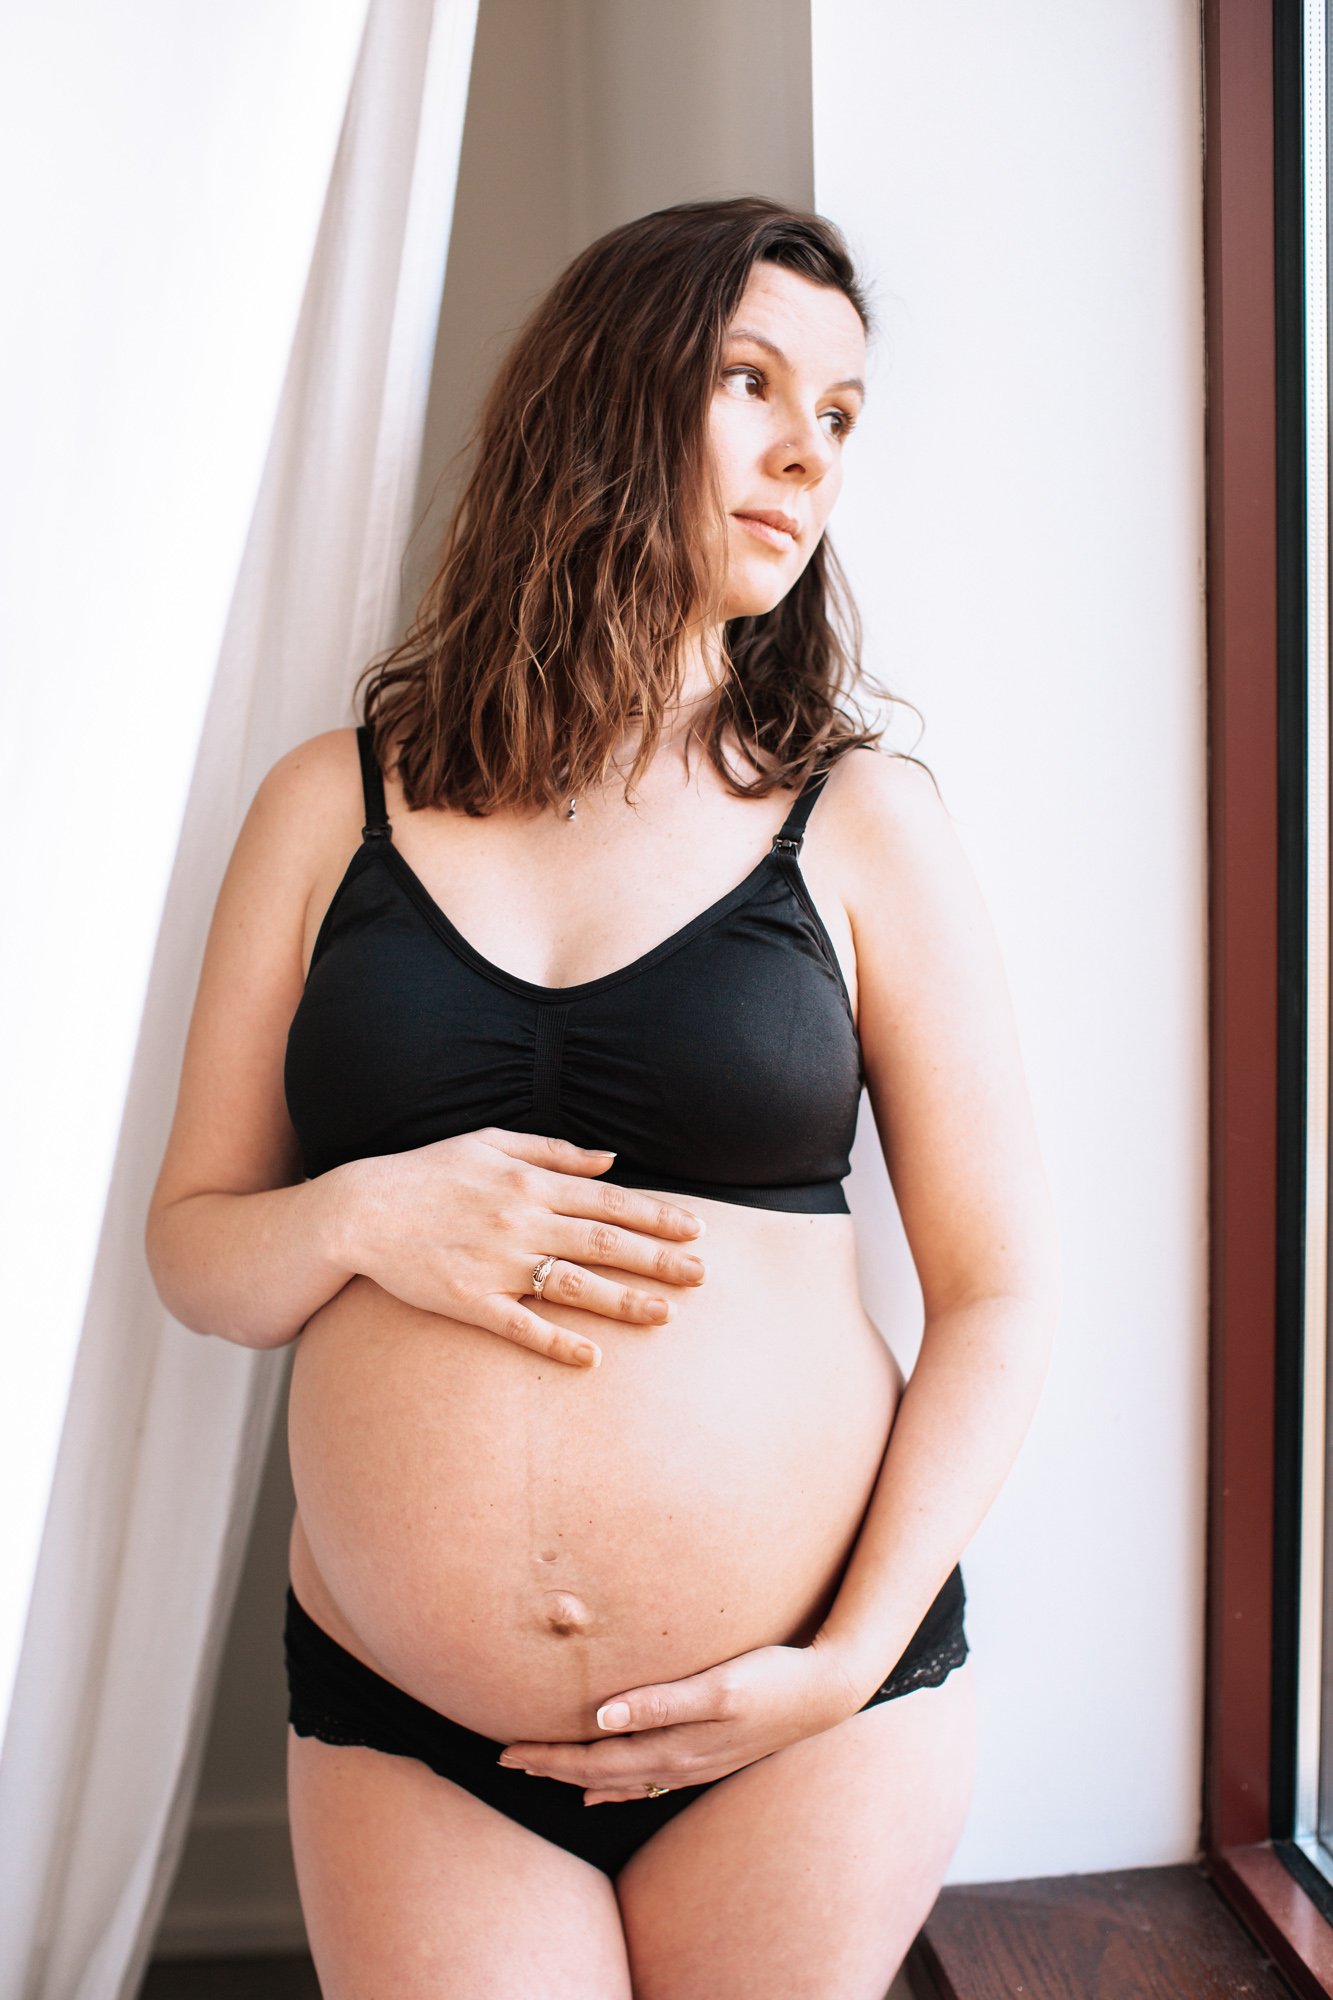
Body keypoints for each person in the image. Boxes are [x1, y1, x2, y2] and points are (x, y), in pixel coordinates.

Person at [146, 195, 1060, 2000]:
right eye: (752, 382)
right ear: (604, 391)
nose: (807, 451)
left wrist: (843, 1659)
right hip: (416, 1727)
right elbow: (198, 1255)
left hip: (797, 1715)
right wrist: (362, 1212)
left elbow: (1000, 1293)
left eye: (841, 414)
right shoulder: (331, 805)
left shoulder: (861, 822)